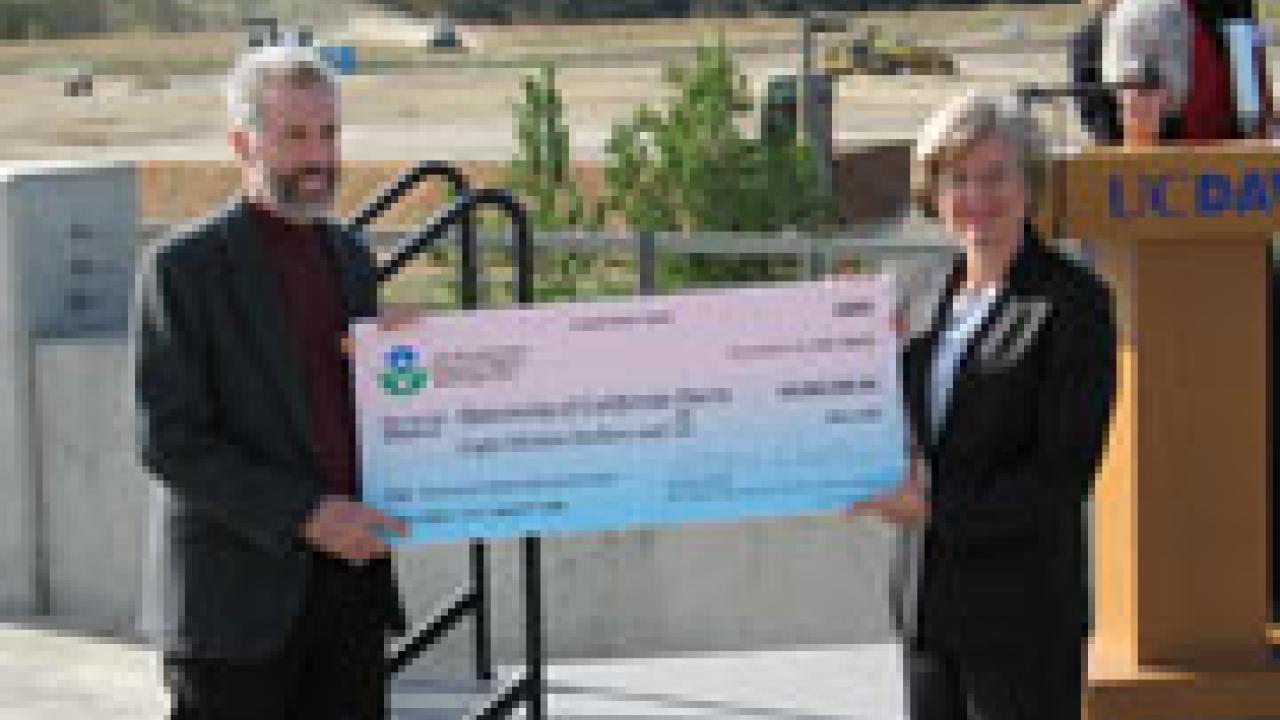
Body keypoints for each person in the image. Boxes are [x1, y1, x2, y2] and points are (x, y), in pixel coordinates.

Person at [131, 45, 409, 720]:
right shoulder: (181, 267)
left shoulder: (348, 255)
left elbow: (359, 403)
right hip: (235, 609)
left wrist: (416, 368)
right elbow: (169, 440)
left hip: (350, 592)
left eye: (329, 134)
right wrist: (306, 515)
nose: (319, 157)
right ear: (242, 143)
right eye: (295, 136)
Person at [851, 92, 1118, 719]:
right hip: (925, 609)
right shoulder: (915, 300)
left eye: (995, 177)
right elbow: (895, 429)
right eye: (957, 179)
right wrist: (848, 353)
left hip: (1020, 621)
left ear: (1029, 185)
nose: (976, 197)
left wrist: (937, 508)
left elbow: (1061, 477)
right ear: (934, 193)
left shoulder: (1073, 305)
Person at [1103, 0, 1274, 143]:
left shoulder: (1236, 12)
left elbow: (1257, 114)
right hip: (1171, 166)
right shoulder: (1143, 13)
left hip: (1234, 158)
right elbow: (1139, 130)